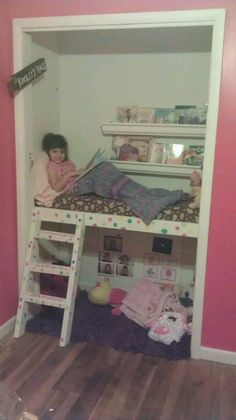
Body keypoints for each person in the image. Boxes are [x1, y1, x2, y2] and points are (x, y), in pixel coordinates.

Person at [41, 132, 186, 225]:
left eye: (61, 151)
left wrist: (87, 168)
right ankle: (146, 197)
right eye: (55, 151)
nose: (59, 155)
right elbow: (55, 187)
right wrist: (69, 175)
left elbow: (79, 174)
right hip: (74, 189)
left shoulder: (68, 162)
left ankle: (144, 193)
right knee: (102, 172)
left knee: (104, 167)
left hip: (80, 181)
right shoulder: (51, 166)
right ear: (48, 152)